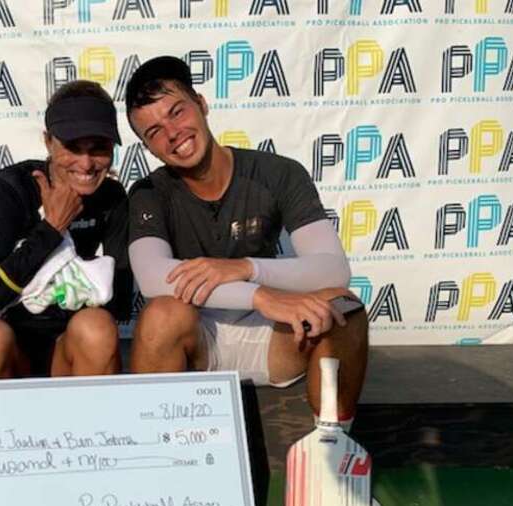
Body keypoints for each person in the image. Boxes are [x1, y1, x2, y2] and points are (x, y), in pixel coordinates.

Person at [124, 56, 368, 426]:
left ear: (202, 104)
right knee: (161, 315)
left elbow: (334, 269)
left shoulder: (278, 172)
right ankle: (163, 462)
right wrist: (259, 295)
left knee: (344, 307)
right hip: (199, 341)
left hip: (276, 338)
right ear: (148, 147)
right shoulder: (148, 191)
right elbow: (154, 279)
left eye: (177, 112)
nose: (172, 133)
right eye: (154, 132)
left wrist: (246, 268)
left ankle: (332, 447)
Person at [0, 80, 131, 380]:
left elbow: (119, 304)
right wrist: (52, 227)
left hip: (69, 352)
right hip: (11, 350)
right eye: (72, 147)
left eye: (99, 149)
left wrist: (68, 289)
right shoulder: (13, 187)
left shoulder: (112, 197)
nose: (86, 163)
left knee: (97, 327)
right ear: (48, 143)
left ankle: (94, 428)